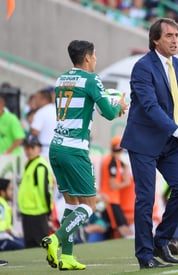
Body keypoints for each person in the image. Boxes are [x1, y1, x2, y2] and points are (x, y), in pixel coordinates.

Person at [120, 18, 178, 269]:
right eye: (169, 35)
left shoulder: (177, 65)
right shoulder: (142, 67)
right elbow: (150, 107)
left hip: (170, 141)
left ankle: (162, 241)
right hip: (144, 142)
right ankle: (145, 255)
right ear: (155, 40)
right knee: (146, 199)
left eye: (177, 35)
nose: (175, 40)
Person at [41, 40, 128, 271]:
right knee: (89, 204)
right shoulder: (92, 80)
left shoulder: (61, 79)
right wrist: (118, 105)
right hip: (75, 149)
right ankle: (56, 238)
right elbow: (109, 114)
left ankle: (67, 257)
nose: (96, 59)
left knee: (71, 204)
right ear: (88, 57)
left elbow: (85, 104)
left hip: (56, 147)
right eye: (95, 55)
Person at [17, 134, 54, 248]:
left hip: (38, 212)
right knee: (30, 244)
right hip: (28, 211)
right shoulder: (30, 164)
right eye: (27, 148)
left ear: (39, 148)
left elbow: (45, 191)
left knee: (40, 244)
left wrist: (48, 210)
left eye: (32, 147)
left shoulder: (40, 166)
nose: (29, 151)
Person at [99, 136, 134, 238]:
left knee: (122, 227)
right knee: (122, 228)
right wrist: (126, 183)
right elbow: (113, 185)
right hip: (110, 200)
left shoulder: (115, 161)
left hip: (113, 200)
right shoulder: (112, 161)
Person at [30, 88, 56, 157]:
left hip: (44, 151)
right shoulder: (57, 111)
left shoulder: (41, 112)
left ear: (43, 99)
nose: (35, 101)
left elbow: (35, 131)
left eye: (36, 98)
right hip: (58, 150)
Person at [0, 178, 25, 251]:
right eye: (10, 190)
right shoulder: (1, 205)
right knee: (23, 246)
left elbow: (7, 227)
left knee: (24, 242)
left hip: (5, 236)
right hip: (2, 238)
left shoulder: (4, 204)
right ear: (2, 192)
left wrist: (13, 232)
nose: (12, 193)